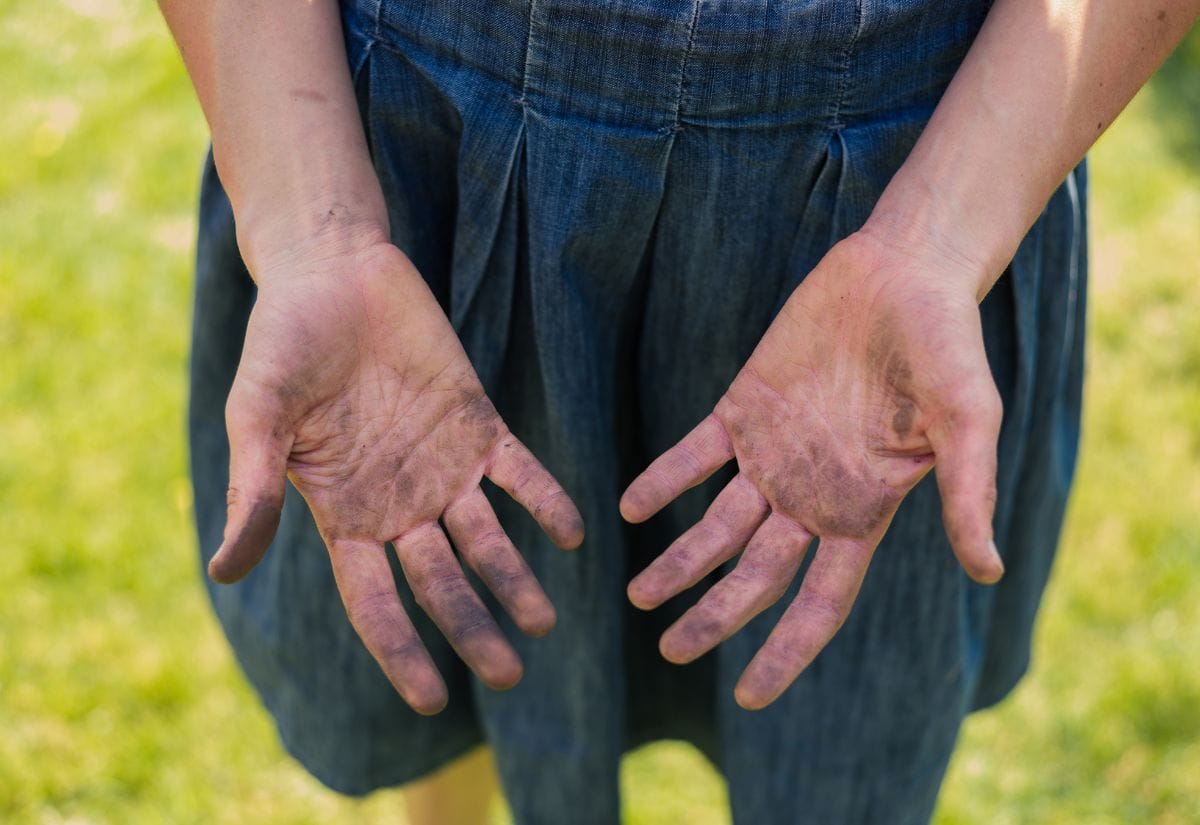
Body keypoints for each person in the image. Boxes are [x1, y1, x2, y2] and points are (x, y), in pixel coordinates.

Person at [160, 0, 1198, 822]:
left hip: (928, 160)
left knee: (831, 748)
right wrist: (313, 227)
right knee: (441, 629)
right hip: (404, 148)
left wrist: (936, 240)